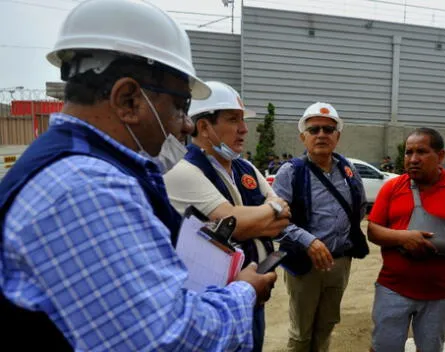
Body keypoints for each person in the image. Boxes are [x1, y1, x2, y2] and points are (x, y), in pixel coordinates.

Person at [0, 1, 276, 351]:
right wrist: (244, 293)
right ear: (128, 100)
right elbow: (167, 339)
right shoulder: (88, 188)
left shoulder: (83, 168)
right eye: (181, 105)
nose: (187, 124)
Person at [163, 81, 291, 351]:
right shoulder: (183, 171)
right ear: (204, 127)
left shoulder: (245, 168)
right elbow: (234, 224)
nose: (244, 129)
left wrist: (260, 217)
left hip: (252, 292)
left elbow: (282, 217)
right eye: (233, 120)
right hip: (214, 301)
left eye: (243, 120)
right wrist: (264, 215)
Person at [367, 128, 445, 352]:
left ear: (440, 156)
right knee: (383, 347)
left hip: (440, 294)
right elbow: (373, 230)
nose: (413, 159)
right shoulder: (392, 187)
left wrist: (436, 247)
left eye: (422, 152)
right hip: (392, 288)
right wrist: (403, 237)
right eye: (408, 153)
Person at [272, 102, 369, 352]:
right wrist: (309, 241)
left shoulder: (349, 171)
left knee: (326, 325)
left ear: (338, 136)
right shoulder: (290, 172)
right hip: (306, 265)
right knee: (301, 333)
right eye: (314, 130)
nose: (322, 135)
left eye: (328, 129)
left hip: (339, 263)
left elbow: (358, 210)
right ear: (303, 136)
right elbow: (275, 221)